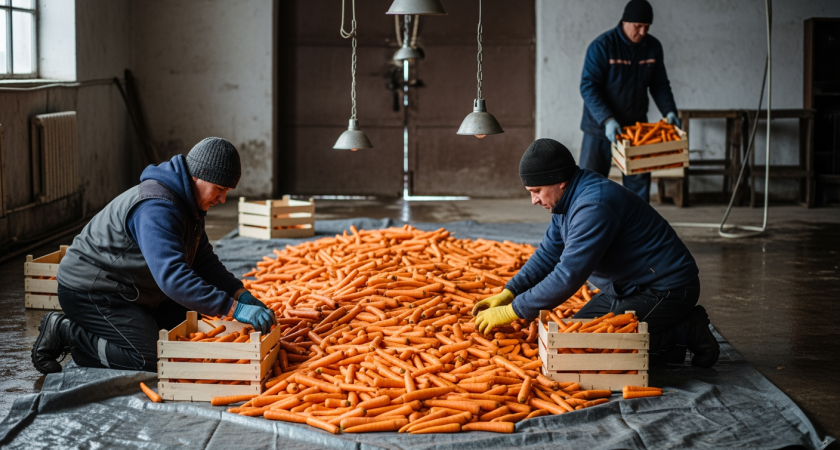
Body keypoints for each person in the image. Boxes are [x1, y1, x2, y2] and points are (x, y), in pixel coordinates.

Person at [31, 138, 275, 374]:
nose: (222, 199)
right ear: (197, 176)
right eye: (220, 189)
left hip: (132, 289)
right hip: (93, 291)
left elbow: (204, 262)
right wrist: (232, 308)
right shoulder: (158, 207)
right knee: (149, 357)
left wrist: (239, 293)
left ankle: (121, 332)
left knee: (185, 331)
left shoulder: (190, 206)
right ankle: (66, 331)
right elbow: (173, 278)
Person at [472, 139, 719, 367]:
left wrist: (512, 311)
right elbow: (548, 255)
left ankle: (688, 330)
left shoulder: (593, 206)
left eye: (536, 191)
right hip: (627, 287)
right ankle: (667, 334)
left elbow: (568, 275)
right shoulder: (565, 201)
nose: (534, 200)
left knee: (591, 351)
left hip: (666, 289)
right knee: (571, 340)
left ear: (560, 180)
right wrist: (510, 291)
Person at [579, 0, 681, 202]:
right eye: (638, 26)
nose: (642, 32)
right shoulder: (602, 47)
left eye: (647, 27)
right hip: (599, 128)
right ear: (625, 21)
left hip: (635, 128)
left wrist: (670, 111)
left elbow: (659, 84)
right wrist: (607, 119)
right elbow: (588, 86)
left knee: (638, 183)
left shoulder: (652, 48)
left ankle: (637, 229)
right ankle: (586, 224)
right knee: (589, 181)